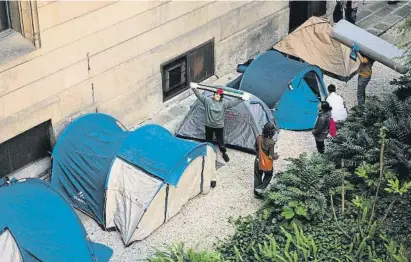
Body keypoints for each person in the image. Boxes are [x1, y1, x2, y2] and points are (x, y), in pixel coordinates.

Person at [192, 86, 242, 162]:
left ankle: (224, 152)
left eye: (219, 95)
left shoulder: (224, 104)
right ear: (214, 94)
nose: (218, 96)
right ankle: (208, 152)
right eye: (216, 94)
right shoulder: (207, 101)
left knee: (220, 141)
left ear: (221, 97)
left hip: (219, 126)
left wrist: (242, 98)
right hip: (209, 125)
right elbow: (199, 96)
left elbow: (233, 102)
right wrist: (194, 89)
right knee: (208, 140)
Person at [254, 122, 278, 198]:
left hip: (258, 160)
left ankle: (256, 193)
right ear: (272, 132)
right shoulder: (271, 142)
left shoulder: (259, 137)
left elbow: (256, 148)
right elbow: (271, 156)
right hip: (266, 164)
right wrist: (276, 156)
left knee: (257, 176)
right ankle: (260, 189)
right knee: (268, 175)